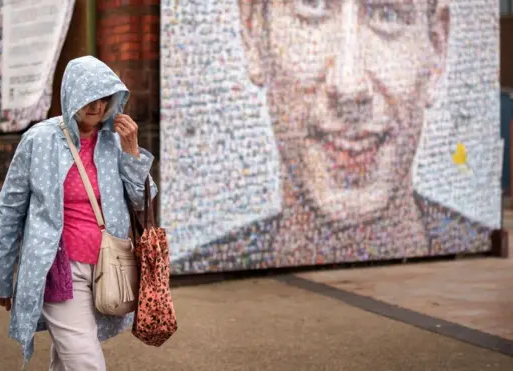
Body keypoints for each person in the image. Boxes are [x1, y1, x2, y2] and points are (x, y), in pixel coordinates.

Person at [173, 0, 491, 273]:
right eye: (312, 6)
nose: (349, 85)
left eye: (389, 13)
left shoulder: (476, 243)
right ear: (254, 34)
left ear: (437, 49)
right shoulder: (199, 265)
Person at [0, 56, 157, 370]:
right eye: (89, 97)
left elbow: (142, 202)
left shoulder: (114, 142)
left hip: (108, 266)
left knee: (68, 359)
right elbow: (9, 209)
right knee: (85, 361)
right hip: (58, 268)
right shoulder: (39, 140)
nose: (98, 106)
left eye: (104, 97)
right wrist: (0, 278)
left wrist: (132, 148)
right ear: (72, 95)